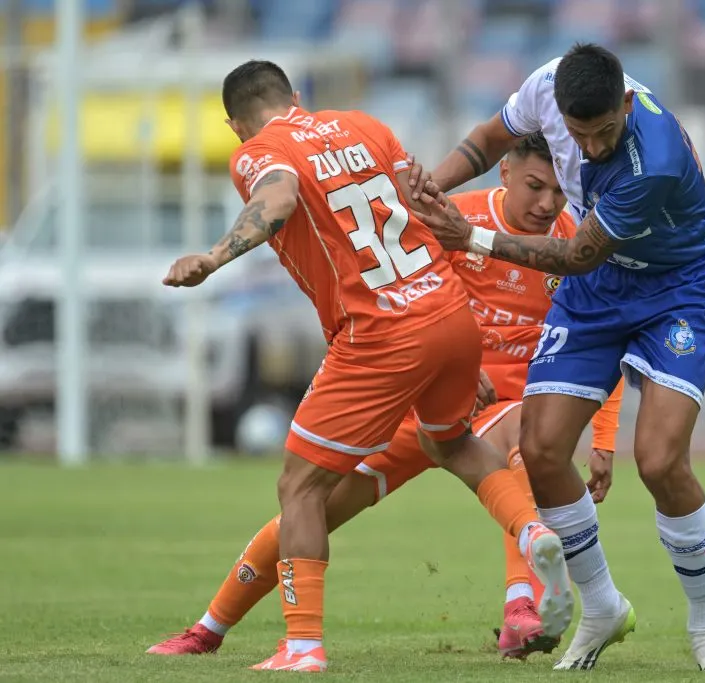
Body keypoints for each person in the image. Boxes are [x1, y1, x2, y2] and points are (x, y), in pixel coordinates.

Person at [159, 60, 572, 673]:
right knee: (450, 441)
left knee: (299, 488)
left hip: (377, 337)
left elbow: (278, 195)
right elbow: (422, 200)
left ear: (233, 125)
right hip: (448, 314)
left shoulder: (258, 151)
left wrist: (215, 256)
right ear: (296, 97)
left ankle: (300, 647)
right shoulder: (364, 125)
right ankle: (532, 532)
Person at [410, 43, 705, 673]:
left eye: (604, 133)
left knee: (660, 460)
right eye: (579, 134)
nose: (590, 148)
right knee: (539, 450)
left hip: (675, 289)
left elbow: (577, 254)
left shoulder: (655, 159)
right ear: (556, 108)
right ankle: (602, 607)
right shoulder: (543, 86)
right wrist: (429, 188)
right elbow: (485, 141)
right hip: (598, 292)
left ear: (624, 105)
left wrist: (471, 236)